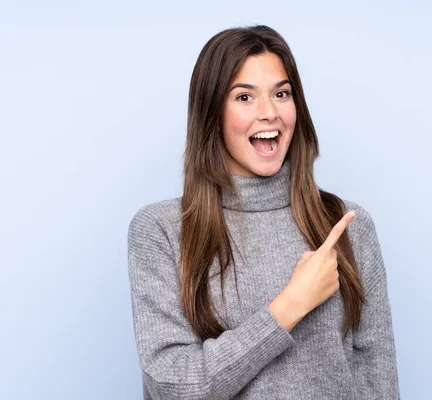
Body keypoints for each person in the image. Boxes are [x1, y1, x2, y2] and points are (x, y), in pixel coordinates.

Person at [127, 24, 400, 399]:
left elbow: (378, 384)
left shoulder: (347, 225)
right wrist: (289, 306)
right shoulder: (161, 230)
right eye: (244, 97)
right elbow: (174, 386)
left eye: (281, 93)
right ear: (212, 113)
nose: (269, 112)